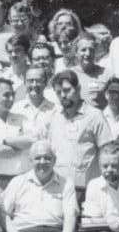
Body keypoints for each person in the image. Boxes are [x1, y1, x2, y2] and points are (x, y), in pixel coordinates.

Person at [46, 70, 113, 200]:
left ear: (78, 88)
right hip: (58, 189)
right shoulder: (55, 118)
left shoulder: (95, 116)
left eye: (67, 90)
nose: (63, 95)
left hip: (87, 190)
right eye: (59, 92)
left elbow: (108, 154)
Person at [69, 33, 113, 109]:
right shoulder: (68, 74)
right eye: (83, 50)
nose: (88, 53)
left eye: (91, 50)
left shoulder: (107, 74)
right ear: (76, 52)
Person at [12, 68, 58, 134]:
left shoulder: (55, 109)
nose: (34, 85)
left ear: (45, 83)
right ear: (25, 83)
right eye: (30, 81)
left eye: (38, 80)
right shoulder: (16, 109)